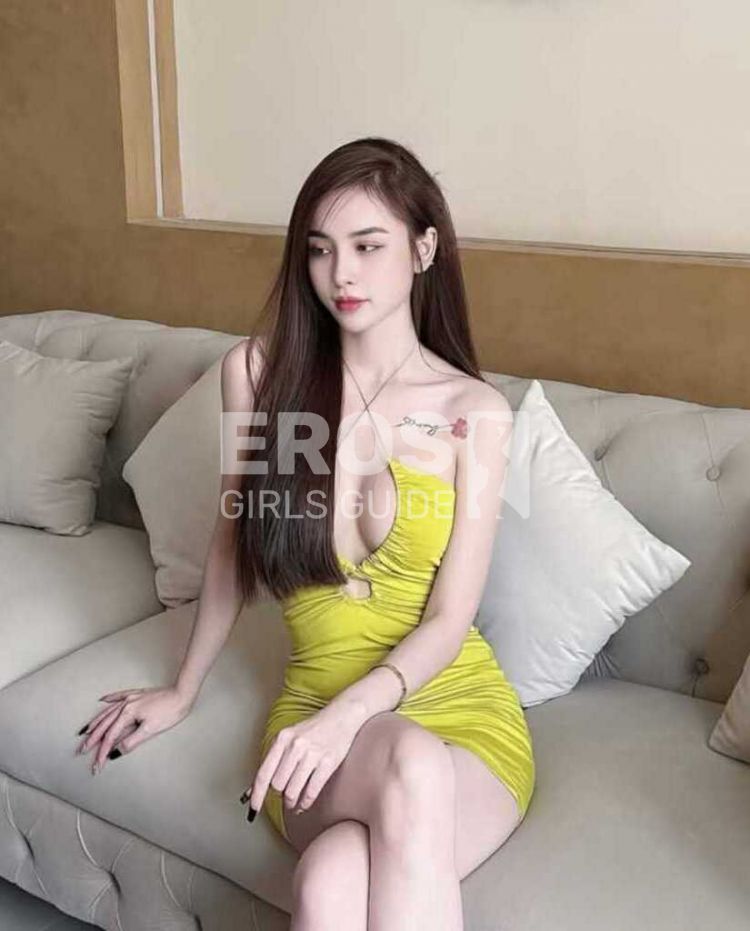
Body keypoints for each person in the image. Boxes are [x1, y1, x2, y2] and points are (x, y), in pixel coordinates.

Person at [76, 137, 535, 930]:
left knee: (329, 883)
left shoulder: (473, 413)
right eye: (320, 250)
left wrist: (351, 715)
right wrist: (184, 686)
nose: (341, 274)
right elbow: (231, 543)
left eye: (368, 246)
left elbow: (450, 617)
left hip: (460, 715)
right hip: (314, 709)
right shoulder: (260, 377)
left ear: (424, 249)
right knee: (401, 770)